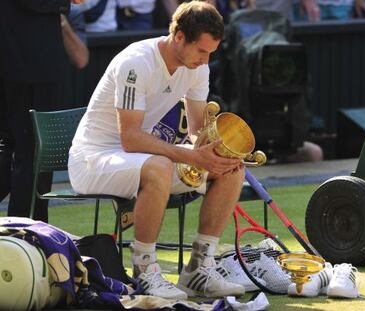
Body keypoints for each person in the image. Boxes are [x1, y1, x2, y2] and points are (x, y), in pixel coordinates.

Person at [68, 0, 246, 300]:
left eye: (210, 53)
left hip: (138, 159)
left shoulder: (197, 69)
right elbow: (131, 138)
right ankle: (145, 272)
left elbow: (196, 133)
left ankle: (199, 269)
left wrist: (215, 151)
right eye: (201, 51)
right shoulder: (135, 62)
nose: (205, 60)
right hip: (92, 160)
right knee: (159, 166)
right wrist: (190, 155)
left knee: (231, 169)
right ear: (178, 37)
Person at [0, 0, 82, 222]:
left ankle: (29, 232)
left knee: (21, 152)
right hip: (28, 65)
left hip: (26, 63)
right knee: (31, 154)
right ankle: (26, 233)